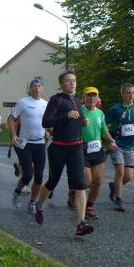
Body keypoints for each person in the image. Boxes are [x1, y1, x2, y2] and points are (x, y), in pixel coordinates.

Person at [32, 70, 94, 236]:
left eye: (74, 80)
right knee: (53, 181)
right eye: (68, 80)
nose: (72, 83)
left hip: (76, 147)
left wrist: (83, 122)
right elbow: (46, 122)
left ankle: (80, 223)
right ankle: (39, 204)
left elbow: (77, 121)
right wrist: (66, 116)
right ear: (61, 84)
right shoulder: (56, 100)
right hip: (58, 147)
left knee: (80, 184)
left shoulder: (77, 101)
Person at [9, 77, 48, 214]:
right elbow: (11, 119)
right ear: (30, 89)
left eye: (39, 86)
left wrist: (50, 131)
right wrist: (14, 135)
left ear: (43, 88)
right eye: (34, 86)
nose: (37, 88)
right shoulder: (23, 102)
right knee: (27, 175)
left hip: (40, 144)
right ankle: (17, 191)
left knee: (39, 177)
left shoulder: (46, 104)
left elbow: (48, 122)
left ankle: (32, 202)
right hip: (25, 144)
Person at [105, 83, 134, 212]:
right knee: (120, 172)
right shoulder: (116, 109)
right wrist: (109, 139)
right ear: (122, 94)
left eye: (133, 92)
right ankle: (118, 200)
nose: (131, 95)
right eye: (128, 92)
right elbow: (105, 125)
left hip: (130, 146)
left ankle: (114, 187)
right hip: (116, 144)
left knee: (128, 177)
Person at [80, 87, 117, 220]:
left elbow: (104, 131)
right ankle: (76, 193)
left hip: (97, 149)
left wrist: (111, 141)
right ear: (84, 97)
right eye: (89, 96)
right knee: (87, 182)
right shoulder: (79, 111)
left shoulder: (100, 113)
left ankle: (89, 207)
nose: (92, 98)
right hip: (82, 149)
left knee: (98, 181)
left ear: (97, 98)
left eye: (94, 96)